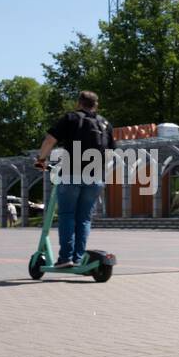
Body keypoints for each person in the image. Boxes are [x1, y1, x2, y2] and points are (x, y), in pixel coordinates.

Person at [34, 91, 113, 268]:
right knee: (84, 219)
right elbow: (110, 153)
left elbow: (49, 140)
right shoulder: (105, 123)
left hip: (71, 174)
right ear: (96, 105)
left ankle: (65, 258)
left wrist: (41, 160)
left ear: (79, 103)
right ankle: (78, 258)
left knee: (67, 215)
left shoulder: (71, 118)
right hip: (95, 177)